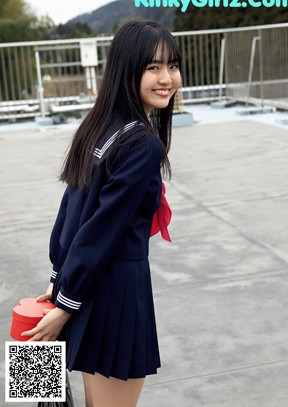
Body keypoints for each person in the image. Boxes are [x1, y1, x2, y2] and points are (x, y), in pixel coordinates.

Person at [22, 20, 181, 407]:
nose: (167, 78)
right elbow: (102, 229)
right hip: (117, 295)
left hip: (84, 288)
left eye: (172, 65)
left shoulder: (97, 126)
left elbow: (71, 214)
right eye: (153, 67)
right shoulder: (143, 143)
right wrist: (64, 303)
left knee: (54, 390)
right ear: (127, 69)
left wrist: (60, 281)